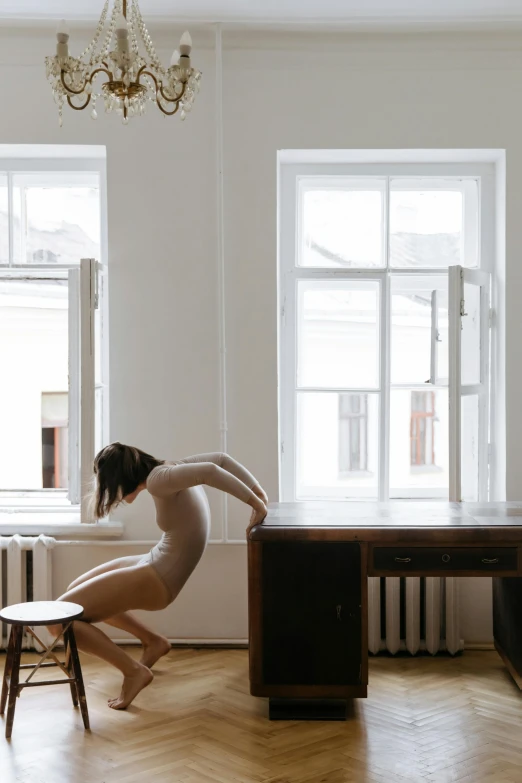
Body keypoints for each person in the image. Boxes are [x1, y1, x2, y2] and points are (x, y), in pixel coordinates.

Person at [47, 443, 268, 710]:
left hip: (158, 575)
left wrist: (256, 503)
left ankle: (133, 671)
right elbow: (221, 459)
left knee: (59, 620)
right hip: (155, 561)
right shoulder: (171, 469)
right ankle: (153, 642)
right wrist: (257, 491)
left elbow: (212, 469)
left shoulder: (159, 480)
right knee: (76, 590)